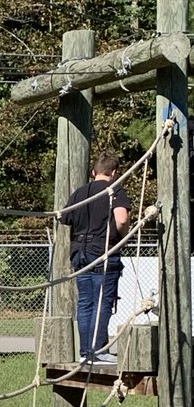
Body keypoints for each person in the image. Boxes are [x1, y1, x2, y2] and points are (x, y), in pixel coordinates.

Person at [60, 149, 130, 365]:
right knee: (102, 302)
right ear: (114, 172)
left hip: (79, 252)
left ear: (93, 171)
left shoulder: (79, 193)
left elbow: (65, 218)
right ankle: (98, 350)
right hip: (103, 252)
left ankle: (85, 351)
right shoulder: (115, 190)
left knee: (85, 303)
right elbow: (121, 219)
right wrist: (123, 235)